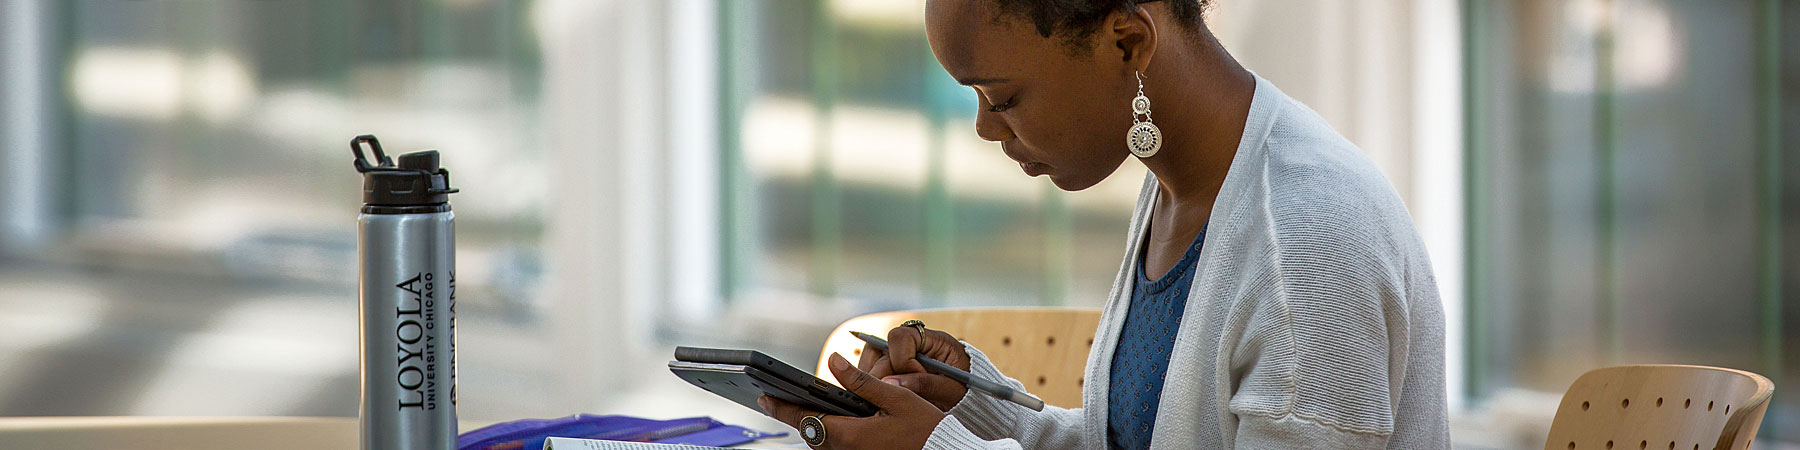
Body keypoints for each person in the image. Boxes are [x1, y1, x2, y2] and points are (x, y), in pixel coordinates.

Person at [758, 0, 1450, 448]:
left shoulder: (1309, 240)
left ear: (1126, 43)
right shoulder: (1183, 190)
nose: (983, 128)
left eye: (1001, 96)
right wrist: (971, 404)